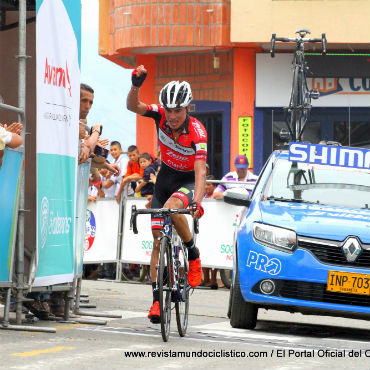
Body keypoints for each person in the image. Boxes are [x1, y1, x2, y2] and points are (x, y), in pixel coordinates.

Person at [127, 65, 207, 323]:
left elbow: (200, 171)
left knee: (173, 207)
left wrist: (197, 202)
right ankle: (155, 303)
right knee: (158, 240)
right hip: (164, 179)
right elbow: (133, 106)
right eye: (169, 110)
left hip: (185, 181)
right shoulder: (159, 115)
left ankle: (192, 254)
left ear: (188, 108)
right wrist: (136, 85)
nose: (172, 116)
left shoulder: (197, 133)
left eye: (178, 111)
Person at [201, 175, 218, 288]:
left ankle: (213, 280)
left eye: (209, 184)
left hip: (214, 227)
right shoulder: (202, 196)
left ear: (214, 186)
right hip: (204, 227)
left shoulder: (215, 196)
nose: (206, 187)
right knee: (203, 252)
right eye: (205, 184)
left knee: (214, 254)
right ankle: (205, 279)